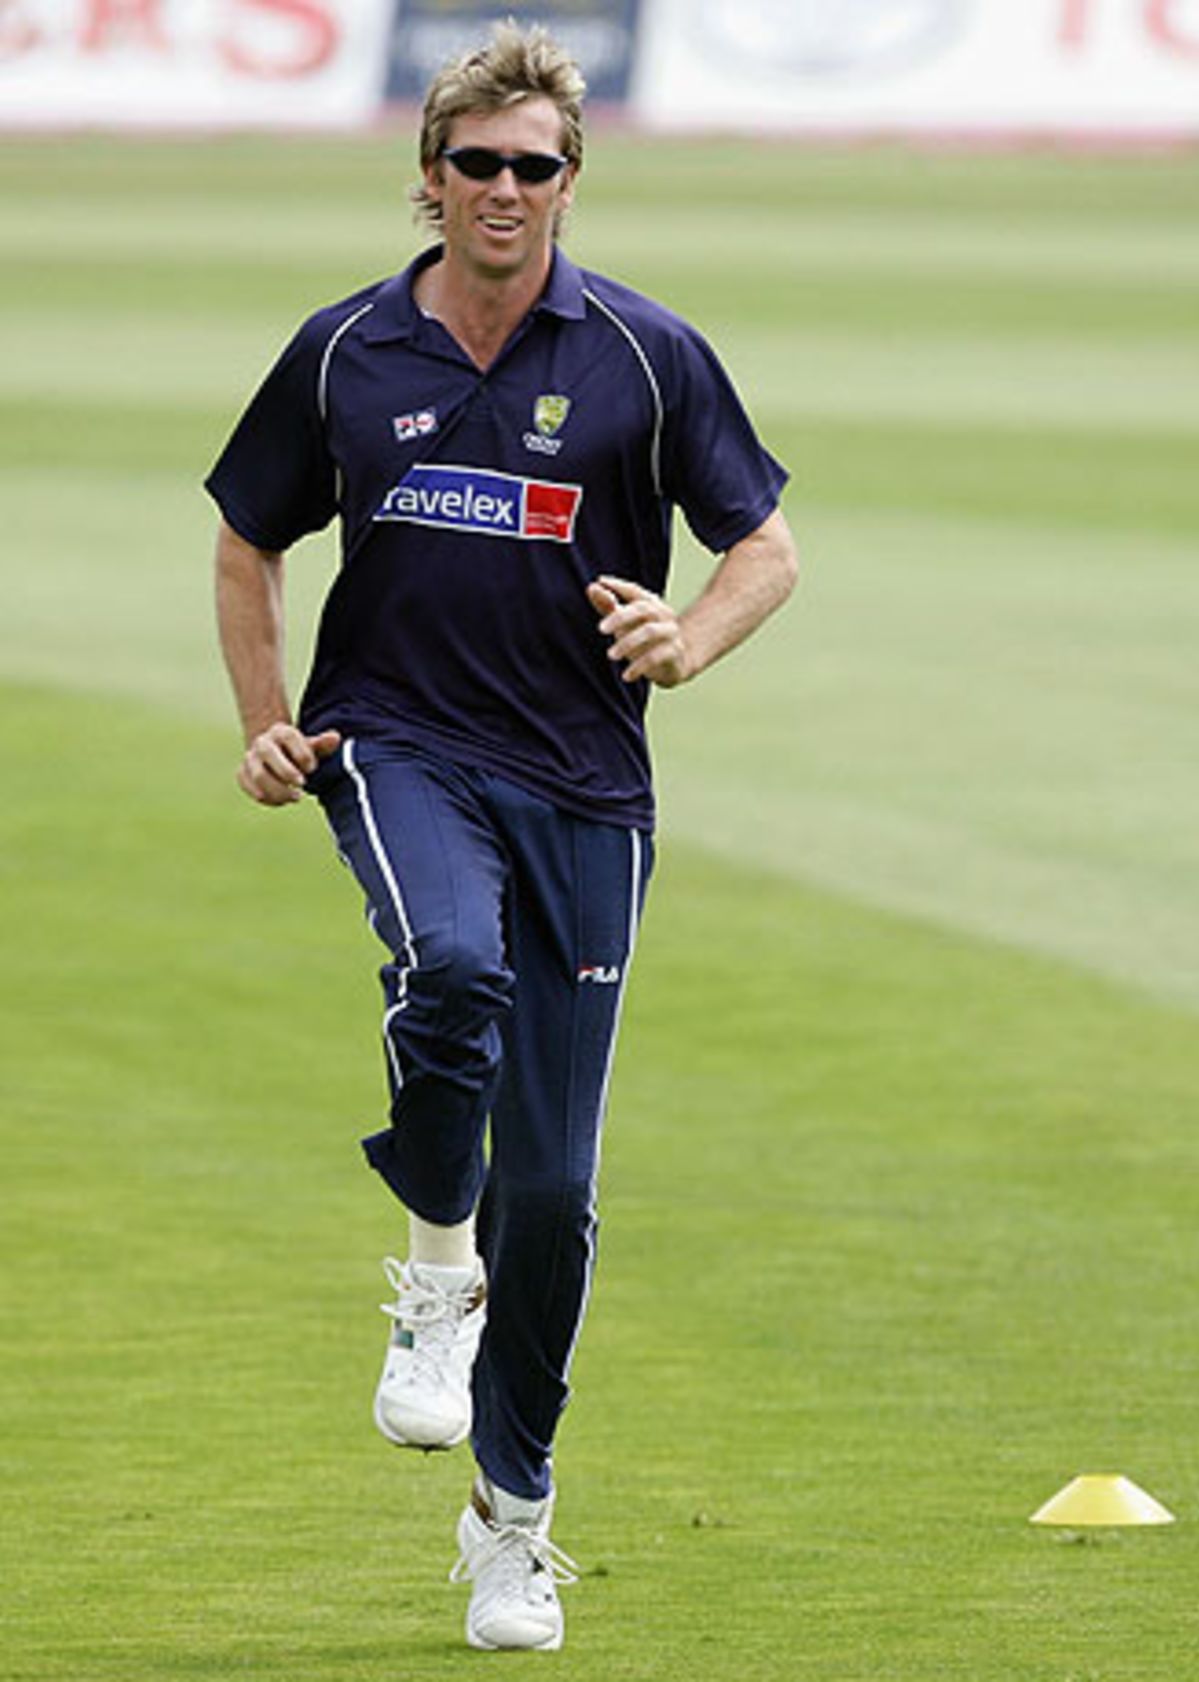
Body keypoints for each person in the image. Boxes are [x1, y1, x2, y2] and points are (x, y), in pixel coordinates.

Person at [207, 20, 796, 1654]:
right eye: (477, 162)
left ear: (570, 179)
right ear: (430, 173)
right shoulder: (347, 351)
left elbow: (765, 545)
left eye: (535, 166)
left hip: (587, 788)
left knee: (556, 1188)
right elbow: (249, 536)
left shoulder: (643, 356)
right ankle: (431, 1270)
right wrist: (265, 715)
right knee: (452, 964)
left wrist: (690, 634)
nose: (505, 189)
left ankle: (514, 1523)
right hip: (395, 742)